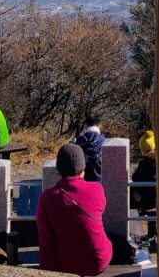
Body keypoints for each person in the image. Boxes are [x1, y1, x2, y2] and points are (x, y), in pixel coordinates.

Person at [37, 143, 112, 275]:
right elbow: (101, 210)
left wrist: (46, 271)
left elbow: (46, 240)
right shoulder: (97, 189)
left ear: (58, 171)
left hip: (66, 265)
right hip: (98, 261)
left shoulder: (47, 198)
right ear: (83, 167)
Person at [131, 130, 157, 240]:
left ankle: (151, 234)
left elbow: (135, 178)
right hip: (157, 197)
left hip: (147, 200)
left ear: (143, 149)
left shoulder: (143, 163)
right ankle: (153, 233)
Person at [74, 113, 106, 183]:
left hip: (82, 181)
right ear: (100, 125)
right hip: (101, 181)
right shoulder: (105, 141)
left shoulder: (77, 141)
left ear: (86, 125)